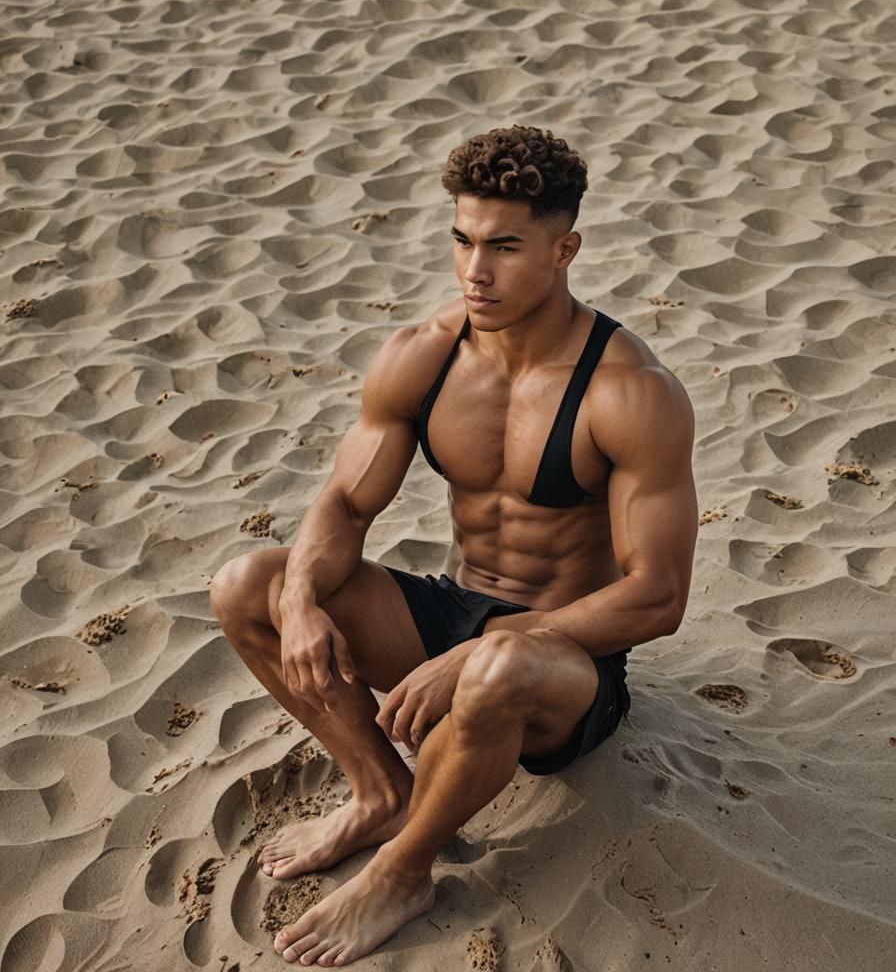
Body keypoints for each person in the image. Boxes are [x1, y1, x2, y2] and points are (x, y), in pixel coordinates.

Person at [210, 124, 698, 967]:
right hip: (453, 607)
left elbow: (658, 595)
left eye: (505, 247)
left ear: (564, 250)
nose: (476, 271)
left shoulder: (628, 391)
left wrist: (480, 655)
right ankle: (379, 792)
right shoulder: (424, 356)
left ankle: (404, 872)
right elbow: (345, 502)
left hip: (564, 664)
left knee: (498, 667)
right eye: (463, 241)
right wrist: (300, 601)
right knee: (248, 584)